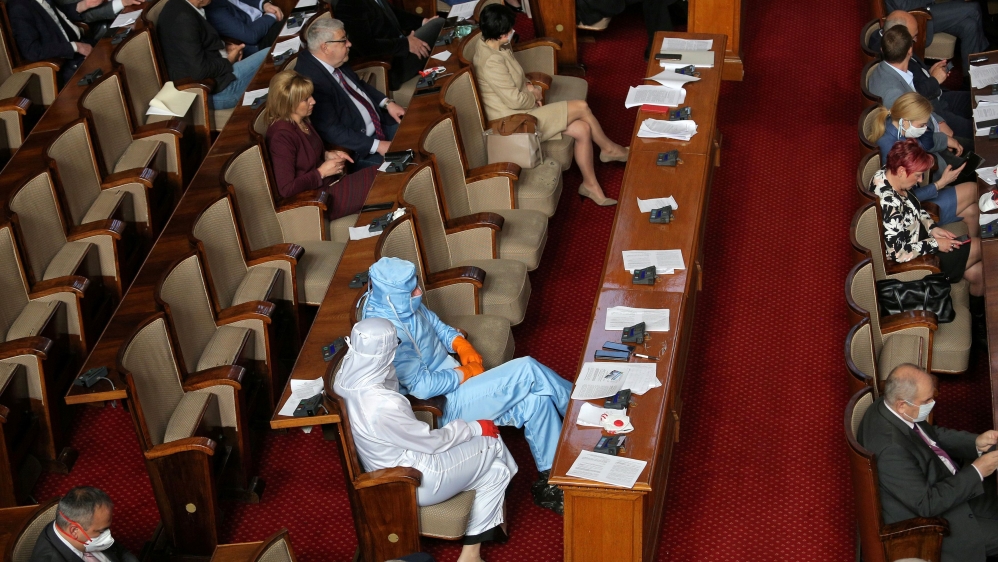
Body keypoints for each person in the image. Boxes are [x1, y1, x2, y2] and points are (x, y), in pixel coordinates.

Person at [360, 257, 573, 514]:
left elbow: (437, 326)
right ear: (393, 297)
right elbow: (422, 387)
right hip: (440, 406)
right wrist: (466, 372)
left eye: (416, 286)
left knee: (536, 400)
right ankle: (579, 410)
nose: (419, 292)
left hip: (457, 384)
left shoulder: (404, 302)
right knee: (527, 368)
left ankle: (551, 481)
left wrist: (460, 344)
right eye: (412, 290)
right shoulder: (388, 332)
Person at [333, 318, 516, 562]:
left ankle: (470, 555)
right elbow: (432, 443)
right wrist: (473, 427)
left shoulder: (344, 376)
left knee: (497, 470)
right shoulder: (384, 403)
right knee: (492, 440)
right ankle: (500, 509)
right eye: (395, 345)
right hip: (416, 476)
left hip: (386, 466)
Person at [473, 3, 630, 206]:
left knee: (582, 129)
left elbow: (516, 77)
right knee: (581, 107)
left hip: (522, 109)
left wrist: (529, 86)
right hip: (515, 121)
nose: (513, 32)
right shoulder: (491, 61)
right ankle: (609, 149)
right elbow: (514, 100)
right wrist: (535, 93)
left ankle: (590, 186)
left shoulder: (494, 43)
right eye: (510, 30)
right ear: (501, 33)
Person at [857, 364, 998, 562]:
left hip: (950, 483)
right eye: (927, 400)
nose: (932, 403)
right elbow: (927, 505)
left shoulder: (890, 406)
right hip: (939, 521)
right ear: (901, 404)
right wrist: (977, 471)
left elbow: (930, 436)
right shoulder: (891, 450)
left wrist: (975, 443)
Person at [871, 139, 984, 322]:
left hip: (921, 238)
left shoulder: (888, 173)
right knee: (982, 248)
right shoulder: (888, 205)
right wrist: (935, 243)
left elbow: (914, 207)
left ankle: (979, 322)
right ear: (901, 171)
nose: (920, 180)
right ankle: (980, 319)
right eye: (917, 175)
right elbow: (898, 253)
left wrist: (932, 228)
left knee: (978, 272)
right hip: (917, 256)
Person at [264, 70, 376, 220]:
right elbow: (286, 189)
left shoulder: (302, 120)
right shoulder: (281, 136)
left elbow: (306, 153)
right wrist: (321, 172)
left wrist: (328, 154)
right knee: (379, 183)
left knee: (383, 174)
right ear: (288, 103)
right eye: (306, 99)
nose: (313, 101)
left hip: (330, 185)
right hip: (319, 199)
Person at [295, 17, 406, 169]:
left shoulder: (335, 58)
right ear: (325, 47)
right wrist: (378, 146)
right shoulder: (312, 81)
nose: (349, 44)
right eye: (343, 40)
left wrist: (388, 103)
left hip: (381, 123)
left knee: (423, 134)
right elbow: (332, 130)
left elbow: (359, 86)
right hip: (362, 147)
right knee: (411, 164)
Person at [866, 92, 976, 227]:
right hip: (912, 209)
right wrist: (941, 183)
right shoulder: (893, 150)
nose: (924, 129)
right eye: (921, 125)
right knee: (973, 188)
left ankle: (972, 246)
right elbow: (903, 197)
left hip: (916, 192)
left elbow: (925, 141)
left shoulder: (894, 124)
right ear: (905, 121)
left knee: (973, 211)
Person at [158, 0, 271, 110]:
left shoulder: (180, 5)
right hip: (216, 90)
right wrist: (229, 59)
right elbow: (200, 71)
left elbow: (195, 46)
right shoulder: (183, 19)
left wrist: (224, 48)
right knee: (273, 53)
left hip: (217, 75)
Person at [880, 11, 973, 140]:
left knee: (980, 100)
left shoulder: (894, 50)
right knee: (976, 131)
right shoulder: (893, 66)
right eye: (914, 37)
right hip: (933, 110)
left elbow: (914, 81)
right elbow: (913, 99)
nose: (916, 40)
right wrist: (934, 80)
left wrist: (929, 73)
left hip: (940, 97)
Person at [869, 25, 959, 140]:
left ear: (882, 50)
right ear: (910, 51)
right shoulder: (894, 93)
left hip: (931, 122)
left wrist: (939, 122)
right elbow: (913, 134)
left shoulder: (885, 70)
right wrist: (943, 140)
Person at [334, 0, 444, 91]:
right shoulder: (347, 4)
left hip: (402, 49)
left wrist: (423, 22)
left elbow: (393, 15)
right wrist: (406, 44)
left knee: (436, 25)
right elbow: (365, 47)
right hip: (391, 66)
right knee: (439, 23)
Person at [30, 486, 140, 561]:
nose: (108, 535)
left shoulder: (84, 524)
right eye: (101, 531)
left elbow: (120, 552)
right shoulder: (50, 559)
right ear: (74, 530)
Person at [7, 0, 95, 86]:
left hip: (84, 45)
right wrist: (76, 47)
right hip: (68, 63)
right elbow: (32, 50)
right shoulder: (19, 7)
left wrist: (83, 5)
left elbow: (55, 17)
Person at [883, 0, 989, 67]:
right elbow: (902, 5)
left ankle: (971, 77)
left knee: (970, 25)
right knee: (973, 8)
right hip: (918, 18)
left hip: (928, 8)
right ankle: (984, 52)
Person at [204, 0, 283, 56]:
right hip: (259, 41)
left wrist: (264, 4)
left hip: (265, 21)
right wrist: (271, 16)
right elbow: (251, 36)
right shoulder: (213, 10)